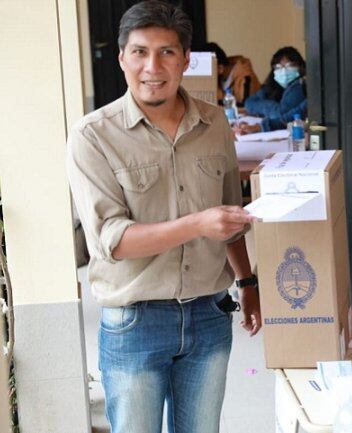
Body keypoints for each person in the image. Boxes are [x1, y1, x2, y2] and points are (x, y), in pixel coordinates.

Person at [66, 2, 260, 432]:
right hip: (135, 321)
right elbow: (111, 241)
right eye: (139, 52)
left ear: (186, 60)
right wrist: (197, 224)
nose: (152, 67)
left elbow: (230, 215)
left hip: (209, 314)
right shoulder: (92, 136)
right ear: (121, 58)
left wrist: (247, 282)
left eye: (167, 52)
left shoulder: (214, 122)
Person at [235, 46, 307, 133]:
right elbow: (249, 103)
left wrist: (262, 123)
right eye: (278, 67)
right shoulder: (273, 85)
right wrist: (274, 108)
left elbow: (280, 114)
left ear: (300, 66)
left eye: (289, 66)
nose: (283, 71)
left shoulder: (299, 85)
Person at [199, 41, 260, 106]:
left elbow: (246, 109)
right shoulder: (221, 78)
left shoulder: (246, 79)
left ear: (220, 69)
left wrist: (220, 95)